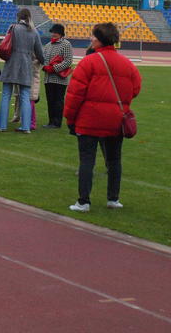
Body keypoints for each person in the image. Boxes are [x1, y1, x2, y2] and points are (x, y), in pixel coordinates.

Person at [65, 22, 141, 212]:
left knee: (87, 160)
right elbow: (135, 88)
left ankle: (83, 201)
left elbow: (74, 94)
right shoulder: (127, 64)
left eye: (93, 36)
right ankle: (113, 198)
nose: (91, 39)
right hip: (115, 119)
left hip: (89, 119)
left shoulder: (88, 62)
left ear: (99, 40)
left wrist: (70, 118)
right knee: (114, 160)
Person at [0, 9, 45, 133]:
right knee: (25, 97)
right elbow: (39, 52)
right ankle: (26, 127)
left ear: (18, 17)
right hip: (26, 65)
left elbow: (5, 44)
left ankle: (2, 126)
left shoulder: (13, 28)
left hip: (11, 63)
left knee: (6, 95)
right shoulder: (34, 31)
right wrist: (43, 61)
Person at [42, 23, 73, 129]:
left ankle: (57, 122)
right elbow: (43, 59)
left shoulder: (66, 44)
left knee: (58, 101)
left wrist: (54, 68)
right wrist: (44, 66)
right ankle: (51, 121)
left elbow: (68, 61)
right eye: (53, 32)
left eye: (56, 32)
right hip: (48, 79)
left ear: (61, 33)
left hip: (60, 80)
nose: (53, 34)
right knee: (50, 100)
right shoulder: (48, 45)